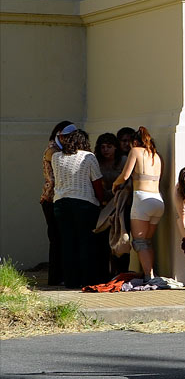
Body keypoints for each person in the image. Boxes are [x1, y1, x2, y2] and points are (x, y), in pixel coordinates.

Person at [50, 128, 106, 288]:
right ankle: (87, 279)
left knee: (67, 243)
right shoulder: (88, 157)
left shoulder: (55, 157)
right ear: (84, 142)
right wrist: (102, 201)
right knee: (85, 242)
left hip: (60, 203)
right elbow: (97, 182)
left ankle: (70, 280)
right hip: (84, 203)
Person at [112, 127, 164, 278]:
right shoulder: (157, 156)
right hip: (158, 200)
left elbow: (125, 175)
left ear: (135, 142)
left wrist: (115, 184)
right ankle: (149, 273)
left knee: (140, 242)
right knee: (147, 241)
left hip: (142, 200)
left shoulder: (135, 151)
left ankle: (149, 276)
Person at [39, 120, 75, 286]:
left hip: (58, 198)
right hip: (51, 199)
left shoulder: (59, 149)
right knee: (56, 239)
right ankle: (55, 277)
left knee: (61, 238)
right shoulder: (53, 150)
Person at [94, 132, 129, 274]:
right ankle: (104, 273)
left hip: (120, 204)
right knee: (102, 241)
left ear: (116, 147)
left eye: (109, 146)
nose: (106, 150)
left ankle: (121, 273)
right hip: (102, 206)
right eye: (102, 147)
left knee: (121, 239)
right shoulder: (96, 162)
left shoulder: (123, 161)